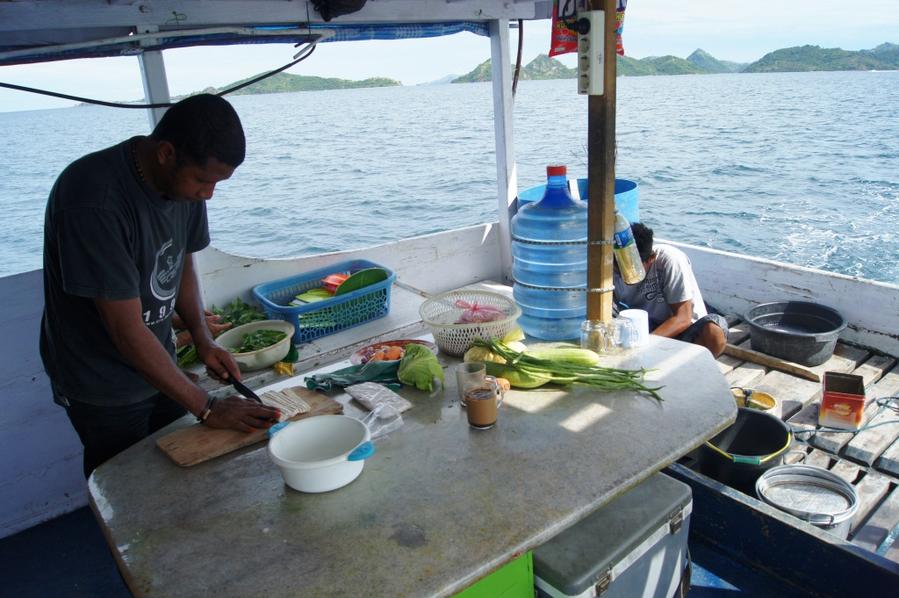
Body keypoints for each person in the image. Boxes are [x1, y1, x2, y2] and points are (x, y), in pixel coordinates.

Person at [40, 94, 280, 478]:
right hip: (102, 383)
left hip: (159, 362)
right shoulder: (93, 198)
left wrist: (203, 339)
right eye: (204, 181)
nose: (208, 194)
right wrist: (207, 407)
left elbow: (180, 260)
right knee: (123, 485)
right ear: (166, 153)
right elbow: (126, 329)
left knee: (176, 470)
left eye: (217, 183)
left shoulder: (184, 185)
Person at [613, 222, 728, 357]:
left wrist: (645, 345)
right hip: (647, 326)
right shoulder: (611, 266)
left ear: (651, 258)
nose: (625, 274)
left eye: (632, 269)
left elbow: (683, 318)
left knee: (714, 332)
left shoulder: (670, 259)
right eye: (620, 268)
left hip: (684, 331)